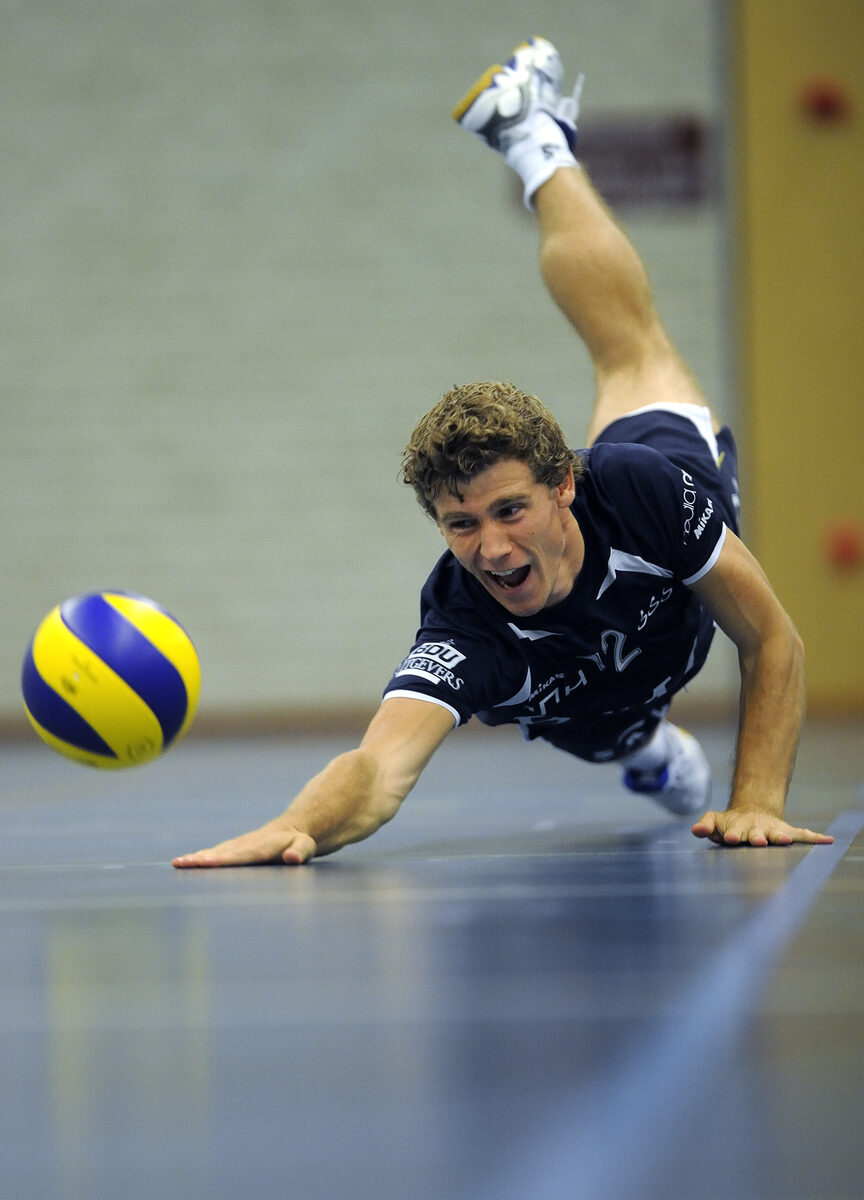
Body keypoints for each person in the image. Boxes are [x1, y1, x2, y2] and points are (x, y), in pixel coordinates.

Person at [173, 36, 833, 869]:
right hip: (597, 713)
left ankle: (534, 140)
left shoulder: (637, 489)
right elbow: (378, 770)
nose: (490, 547)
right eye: (461, 523)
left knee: (629, 349)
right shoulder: (463, 619)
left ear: (563, 486)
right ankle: (654, 753)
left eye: (510, 509)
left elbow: (771, 640)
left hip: (662, 541)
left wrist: (757, 803)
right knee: (618, 739)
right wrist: (297, 823)